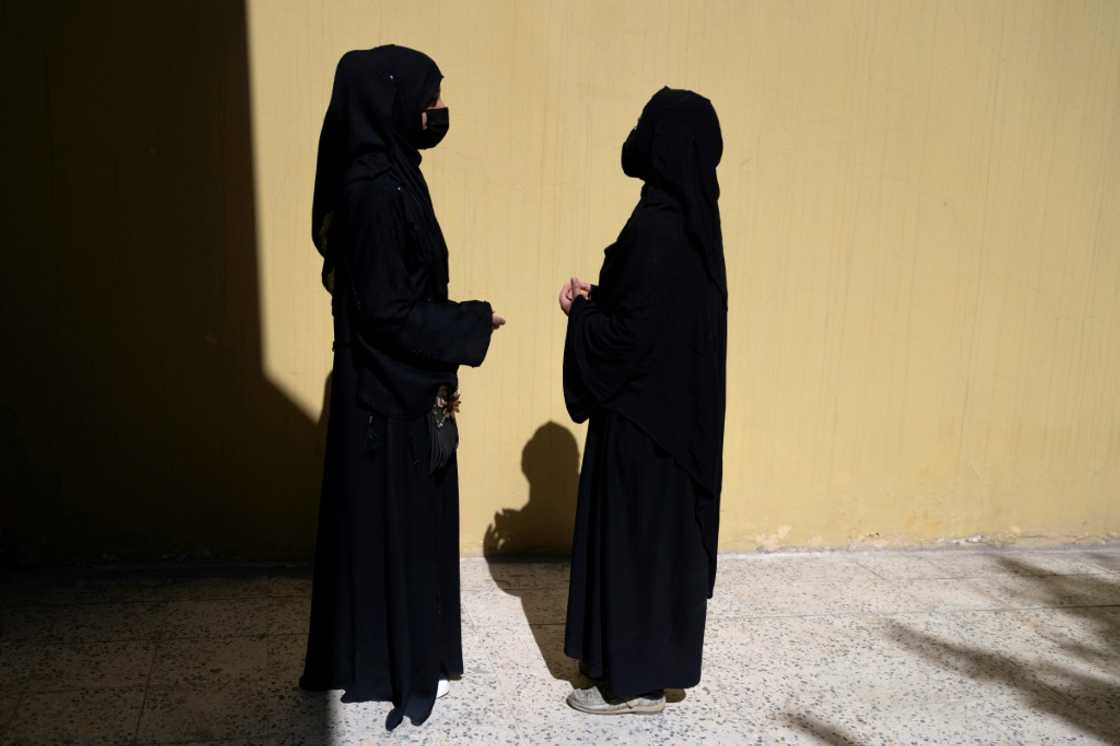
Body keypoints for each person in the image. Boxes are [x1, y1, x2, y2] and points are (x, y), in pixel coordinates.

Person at [299, 45, 504, 731]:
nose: (437, 113)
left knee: (394, 531)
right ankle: (395, 665)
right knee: (399, 530)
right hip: (387, 400)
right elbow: (387, 311)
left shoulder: (392, 175)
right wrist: (472, 323)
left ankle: (386, 654)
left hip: (393, 388)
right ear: (390, 105)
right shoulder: (375, 194)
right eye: (428, 101)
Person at [559, 87, 727, 715]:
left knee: (636, 548)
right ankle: (654, 669)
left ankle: (631, 685)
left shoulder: (657, 226)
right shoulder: (695, 223)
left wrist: (582, 315)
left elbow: (631, 337)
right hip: (675, 431)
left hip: (642, 430)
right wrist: (602, 300)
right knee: (660, 552)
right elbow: (658, 319)